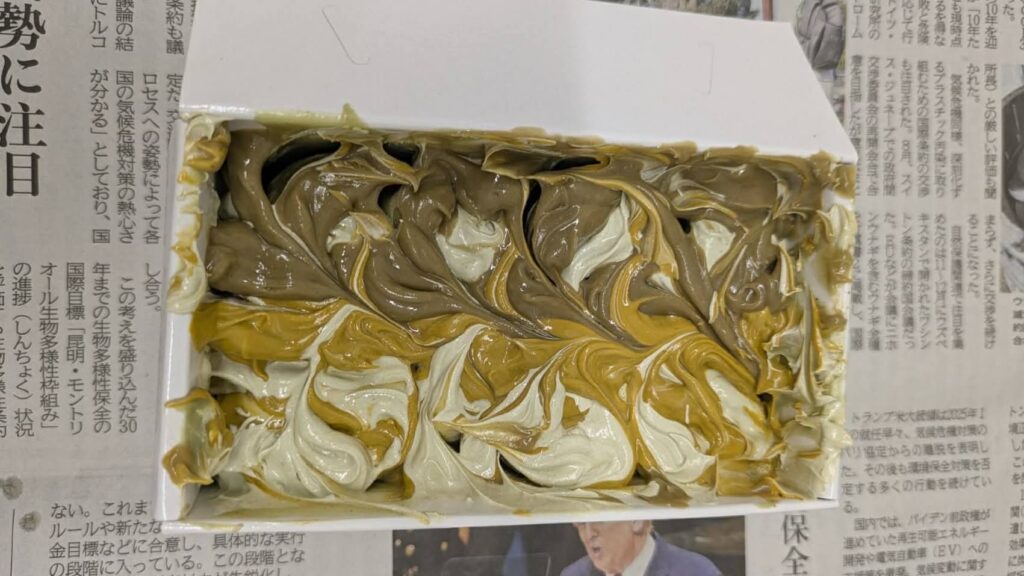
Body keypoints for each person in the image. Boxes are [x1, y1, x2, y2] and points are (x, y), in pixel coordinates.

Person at [561, 521, 721, 576]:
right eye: (581, 524)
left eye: (599, 520)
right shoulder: (572, 574)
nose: (589, 534)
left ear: (637, 521)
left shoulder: (697, 572)